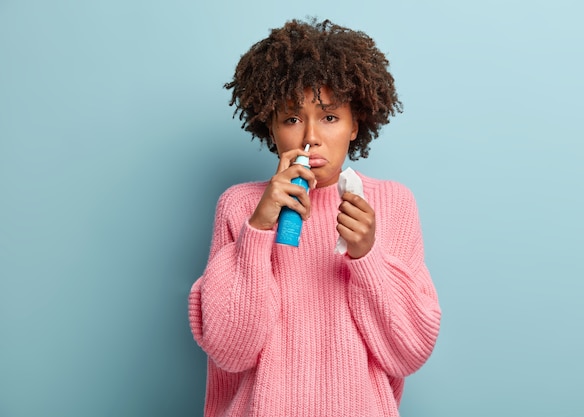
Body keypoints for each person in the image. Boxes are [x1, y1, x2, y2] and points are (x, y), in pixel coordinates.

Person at [188, 18, 441, 417]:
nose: (310, 136)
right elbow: (230, 350)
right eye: (291, 119)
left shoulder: (392, 204)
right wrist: (258, 231)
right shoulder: (239, 206)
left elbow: (408, 352)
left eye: (329, 117)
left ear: (355, 124)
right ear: (270, 127)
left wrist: (366, 256)